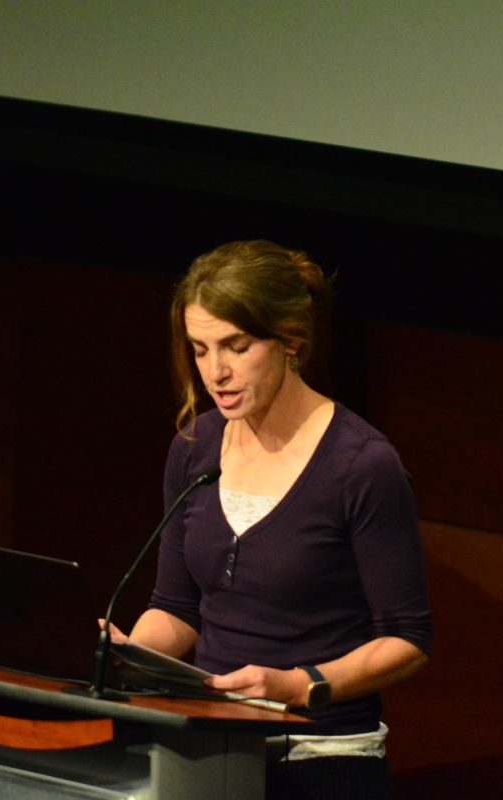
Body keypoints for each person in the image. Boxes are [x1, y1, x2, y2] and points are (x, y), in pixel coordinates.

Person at [112, 240, 431, 799]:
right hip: (211, 753)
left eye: (236, 347)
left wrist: (299, 685)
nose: (217, 372)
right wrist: (126, 656)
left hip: (320, 759)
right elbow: (178, 610)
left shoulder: (362, 465)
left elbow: (407, 641)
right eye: (201, 349)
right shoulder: (194, 448)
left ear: (290, 340)